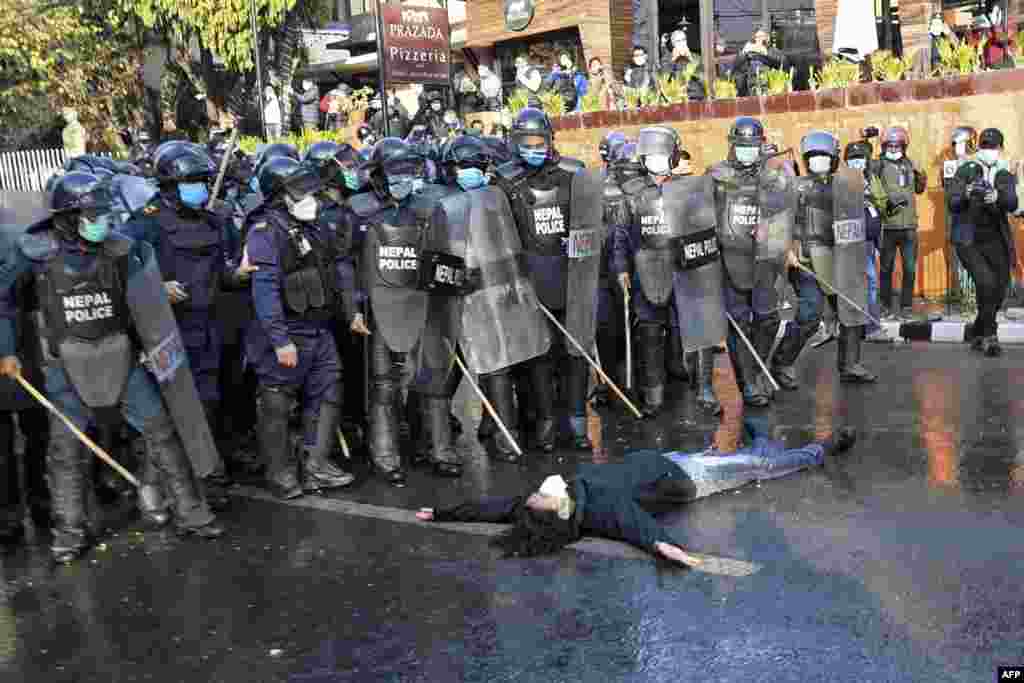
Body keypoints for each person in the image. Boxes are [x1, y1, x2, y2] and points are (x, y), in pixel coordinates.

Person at [0, 173, 226, 563]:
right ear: (68, 216)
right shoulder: (35, 254)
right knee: (65, 452)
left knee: (162, 434)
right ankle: (69, 535)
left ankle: (193, 513)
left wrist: (152, 349)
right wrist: (7, 350)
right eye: (92, 213)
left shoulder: (121, 250)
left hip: (122, 358)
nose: (101, 220)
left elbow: (144, 304)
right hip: (66, 368)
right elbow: (4, 301)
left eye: (103, 212)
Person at [415, 422, 857, 564]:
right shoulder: (597, 506)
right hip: (689, 479)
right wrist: (672, 550)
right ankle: (819, 450)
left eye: (530, 499)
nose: (533, 493)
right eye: (539, 500)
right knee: (762, 467)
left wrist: (441, 512)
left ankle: (756, 442)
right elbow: (636, 528)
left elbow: (492, 509)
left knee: (737, 456)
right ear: (559, 512)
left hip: (668, 461)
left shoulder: (560, 496)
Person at [119, 145, 243, 511]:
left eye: (203, 181)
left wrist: (237, 275)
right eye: (192, 182)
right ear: (170, 185)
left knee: (208, 406)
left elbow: (220, 272)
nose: (201, 189)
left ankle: (206, 474)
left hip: (209, 330)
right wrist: (155, 288)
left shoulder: (211, 221)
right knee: (168, 414)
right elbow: (118, 277)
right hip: (168, 333)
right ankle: (161, 489)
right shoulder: (144, 223)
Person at [491, 108, 603, 453]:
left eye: (540, 142)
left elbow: (592, 226)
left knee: (575, 353)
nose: (534, 149)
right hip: (529, 281)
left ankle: (577, 424)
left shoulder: (574, 174)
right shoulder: (505, 181)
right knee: (538, 358)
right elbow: (497, 234)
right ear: (515, 143)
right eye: (527, 143)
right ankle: (545, 426)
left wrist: (580, 245)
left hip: (571, 279)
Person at [244, 159, 356, 499]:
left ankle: (316, 465)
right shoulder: (264, 232)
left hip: (317, 328)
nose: (310, 197)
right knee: (277, 403)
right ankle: (281, 474)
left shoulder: (315, 225)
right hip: (285, 333)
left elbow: (335, 269)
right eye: (300, 192)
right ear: (279, 197)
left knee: (328, 392)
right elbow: (264, 290)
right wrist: (280, 341)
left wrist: (350, 311)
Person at [613, 127, 722, 417]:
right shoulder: (633, 195)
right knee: (649, 332)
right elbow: (621, 235)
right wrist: (622, 268)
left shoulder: (690, 191)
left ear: (673, 157)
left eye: (663, 155)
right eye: (652, 155)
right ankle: (654, 395)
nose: (657, 161)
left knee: (698, 330)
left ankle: (705, 390)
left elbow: (706, 227)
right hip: (647, 268)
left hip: (686, 267)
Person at [772, 131, 876, 389]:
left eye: (823, 156)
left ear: (833, 158)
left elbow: (866, 216)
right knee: (810, 314)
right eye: (813, 157)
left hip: (841, 258)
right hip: (806, 260)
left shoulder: (848, 185)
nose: (818, 160)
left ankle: (850, 364)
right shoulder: (795, 187)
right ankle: (782, 362)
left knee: (850, 312)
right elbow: (780, 223)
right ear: (806, 160)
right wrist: (787, 250)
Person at [707, 117, 795, 408]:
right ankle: (747, 383)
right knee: (739, 324)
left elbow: (785, 213)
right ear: (732, 145)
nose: (747, 151)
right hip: (729, 258)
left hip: (765, 259)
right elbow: (702, 217)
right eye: (741, 146)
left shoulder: (773, 177)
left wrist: (782, 239)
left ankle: (756, 369)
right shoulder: (716, 176)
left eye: (752, 146)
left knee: (768, 319)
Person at [948, 128, 1020, 357]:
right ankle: (990, 336)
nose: (989, 151)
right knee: (985, 283)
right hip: (969, 239)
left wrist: (998, 197)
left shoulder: (1004, 171)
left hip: (996, 238)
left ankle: (979, 329)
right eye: (985, 146)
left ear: (1000, 148)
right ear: (979, 147)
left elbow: (1012, 201)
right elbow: (953, 202)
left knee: (999, 288)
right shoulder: (966, 169)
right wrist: (967, 193)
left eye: (993, 147)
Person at [872, 126, 927, 321]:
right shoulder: (878, 165)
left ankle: (906, 306)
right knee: (885, 269)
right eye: (890, 145)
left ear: (904, 146)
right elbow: (871, 188)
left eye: (898, 146)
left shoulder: (910, 164)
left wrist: (921, 174)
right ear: (885, 146)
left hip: (909, 226)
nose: (894, 149)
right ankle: (885, 305)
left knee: (910, 269)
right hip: (887, 226)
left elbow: (920, 189)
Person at [844, 140, 892, 344]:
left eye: (860, 159)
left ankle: (870, 327)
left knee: (870, 283)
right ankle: (854, 327)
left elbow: (882, 204)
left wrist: (869, 195)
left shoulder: (871, 178)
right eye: (852, 159)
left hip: (869, 241)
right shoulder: (840, 180)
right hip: (849, 241)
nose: (857, 163)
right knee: (853, 284)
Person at [732, 27, 785, 97]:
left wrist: (766, 54)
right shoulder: (747, 51)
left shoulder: (772, 51)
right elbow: (736, 67)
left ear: (767, 38)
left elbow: (782, 62)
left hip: (769, 91)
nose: (759, 39)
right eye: (757, 37)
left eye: (762, 37)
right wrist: (744, 53)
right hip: (750, 92)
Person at [659, 30, 705, 101]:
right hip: (675, 99)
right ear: (673, 43)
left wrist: (690, 60)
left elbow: (703, 79)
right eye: (678, 41)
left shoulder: (696, 58)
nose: (682, 43)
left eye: (683, 39)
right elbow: (664, 80)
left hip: (695, 98)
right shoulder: (668, 60)